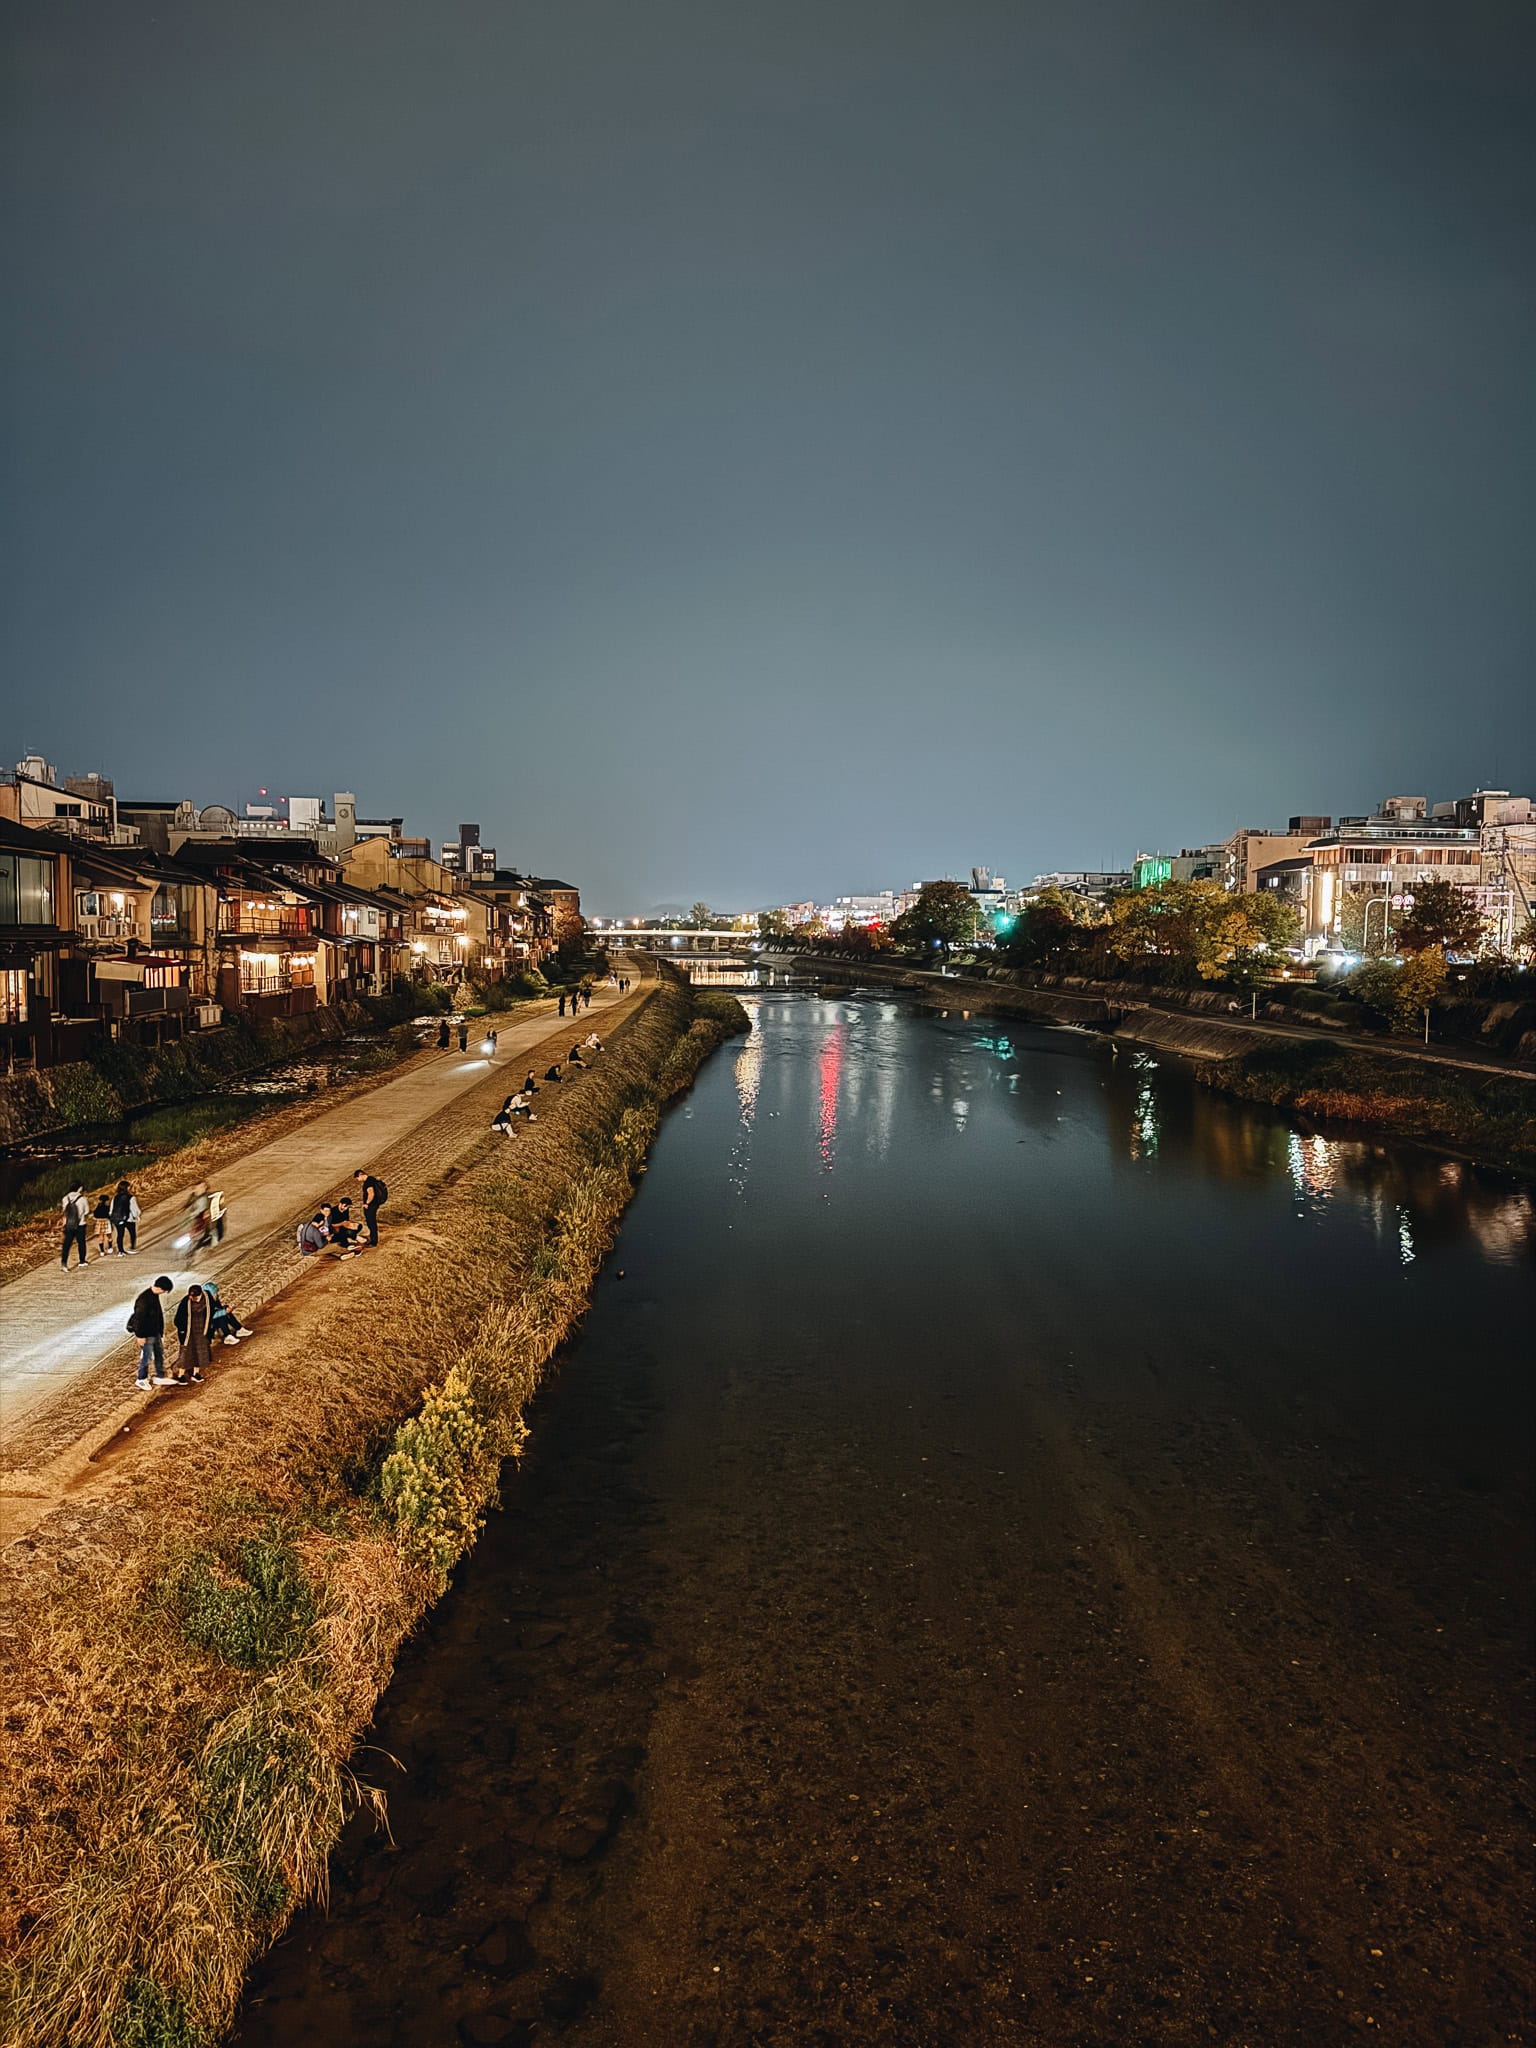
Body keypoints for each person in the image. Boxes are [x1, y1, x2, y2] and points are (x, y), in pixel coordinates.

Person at [129, 1275, 175, 1388]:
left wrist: (160, 1332)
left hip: (154, 1332)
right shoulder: (144, 1300)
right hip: (147, 1334)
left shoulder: (153, 1296)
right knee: (147, 1356)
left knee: (158, 1354)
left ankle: (160, 1376)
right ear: (161, 1288)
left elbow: (157, 1315)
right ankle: (141, 1378)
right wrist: (140, 1336)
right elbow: (138, 1319)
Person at [173, 1283, 214, 1383]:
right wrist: (182, 1331)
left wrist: (210, 1329)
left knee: (200, 1352)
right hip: (189, 1332)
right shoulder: (185, 1302)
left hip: (201, 1330)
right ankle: (181, 1375)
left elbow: (211, 1310)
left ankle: (195, 1373)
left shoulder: (207, 1298)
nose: (192, 1298)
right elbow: (178, 1319)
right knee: (186, 1353)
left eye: (194, 1297)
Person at [202, 1279, 251, 1345]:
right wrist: (224, 1312)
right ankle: (227, 1336)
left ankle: (239, 1329)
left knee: (225, 1311)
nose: (216, 1295)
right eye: (214, 1293)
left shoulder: (214, 1300)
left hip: (214, 1319)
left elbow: (218, 1309)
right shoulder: (204, 1304)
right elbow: (210, 1316)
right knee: (221, 1316)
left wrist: (226, 1309)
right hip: (209, 1324)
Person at [354, 1169, 387, 1246]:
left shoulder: (367, 1183)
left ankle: (373, 1241)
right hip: (375, 1204)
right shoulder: (372, 1179)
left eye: (357, 1178)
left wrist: (366, 1203)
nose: (358, 1180)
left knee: (371, 1222)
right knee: (372, 1223)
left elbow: (371, 1194)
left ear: (360, 1175)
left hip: (371, 1205)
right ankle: (373, 1238)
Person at [60, 1185, 89, 1270]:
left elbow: (64, 1212)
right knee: (81, 1243)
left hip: (68, 1225)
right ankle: (82, 1261)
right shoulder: (83, 1199)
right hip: (80, 1224)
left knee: (67, 1244)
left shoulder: (65, 1198)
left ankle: (64, 1263)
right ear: (79, 1188)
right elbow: (86, 1211)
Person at [110, 1178, 137, 1254]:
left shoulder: (115, 1197)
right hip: (129, 1218)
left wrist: (112, 1216)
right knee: (132, 1233)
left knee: (120, 1234)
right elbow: (134, 1209)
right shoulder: (131, 1197)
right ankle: (132, 1247)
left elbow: (112, 1208)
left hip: (118, 1218)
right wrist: (136, 1216)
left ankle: (120, 1250)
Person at [184, 1182, 211, 1250]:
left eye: (200, 1188)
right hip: (197, 1217)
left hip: (203, 1216)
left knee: (202, 1230)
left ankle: (200, 1244)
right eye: (196, 1188)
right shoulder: (193, 1195)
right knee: (195, 1229)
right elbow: (189, 1203)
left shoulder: (207, 1197)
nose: (196, 1190)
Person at [92, 1191, 115, 1259]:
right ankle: (110, 1247)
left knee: (101, 1237)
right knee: (109, 1235)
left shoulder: (98, 1207)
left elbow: (95, 1215)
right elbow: (109, 1215)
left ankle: (102, 1251)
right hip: (106, 1221)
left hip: (99, 1222)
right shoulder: (107, 1207)